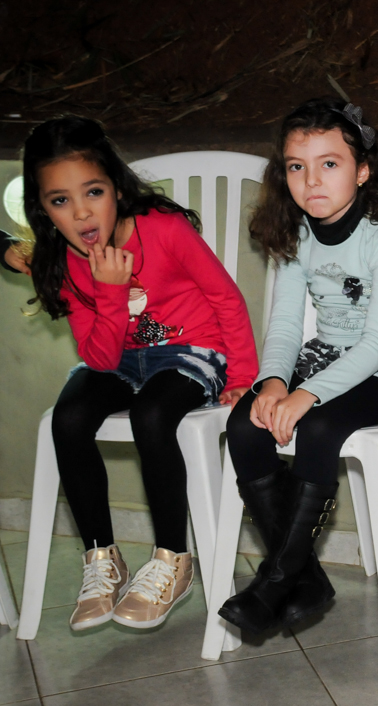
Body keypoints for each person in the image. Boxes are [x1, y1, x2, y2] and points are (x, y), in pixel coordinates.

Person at [219, 98, 378, 635]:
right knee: (244, 423)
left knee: (319, 426)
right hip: (328, 360)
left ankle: (277, 578)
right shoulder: (298, 236)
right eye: (297, 167)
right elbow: (283, 327)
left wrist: (305, 396)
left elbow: (376, 343)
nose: (312, 180)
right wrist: (275, 382)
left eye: (330, 163)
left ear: (362, 170)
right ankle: (307, 577)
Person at [23, 116, 258, 631]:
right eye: (60, 200)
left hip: (192, 350)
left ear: (116, 186)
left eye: (93, 192)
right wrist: (109, 291)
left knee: (153, 416)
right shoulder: (64, 259)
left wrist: (243, 376)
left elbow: (226, 299)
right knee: (68, 417)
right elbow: (102, 359)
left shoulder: (164, 229)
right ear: (43, 209)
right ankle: (101, 560)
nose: (81, 212)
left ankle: (174, 560)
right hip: (121, 359)